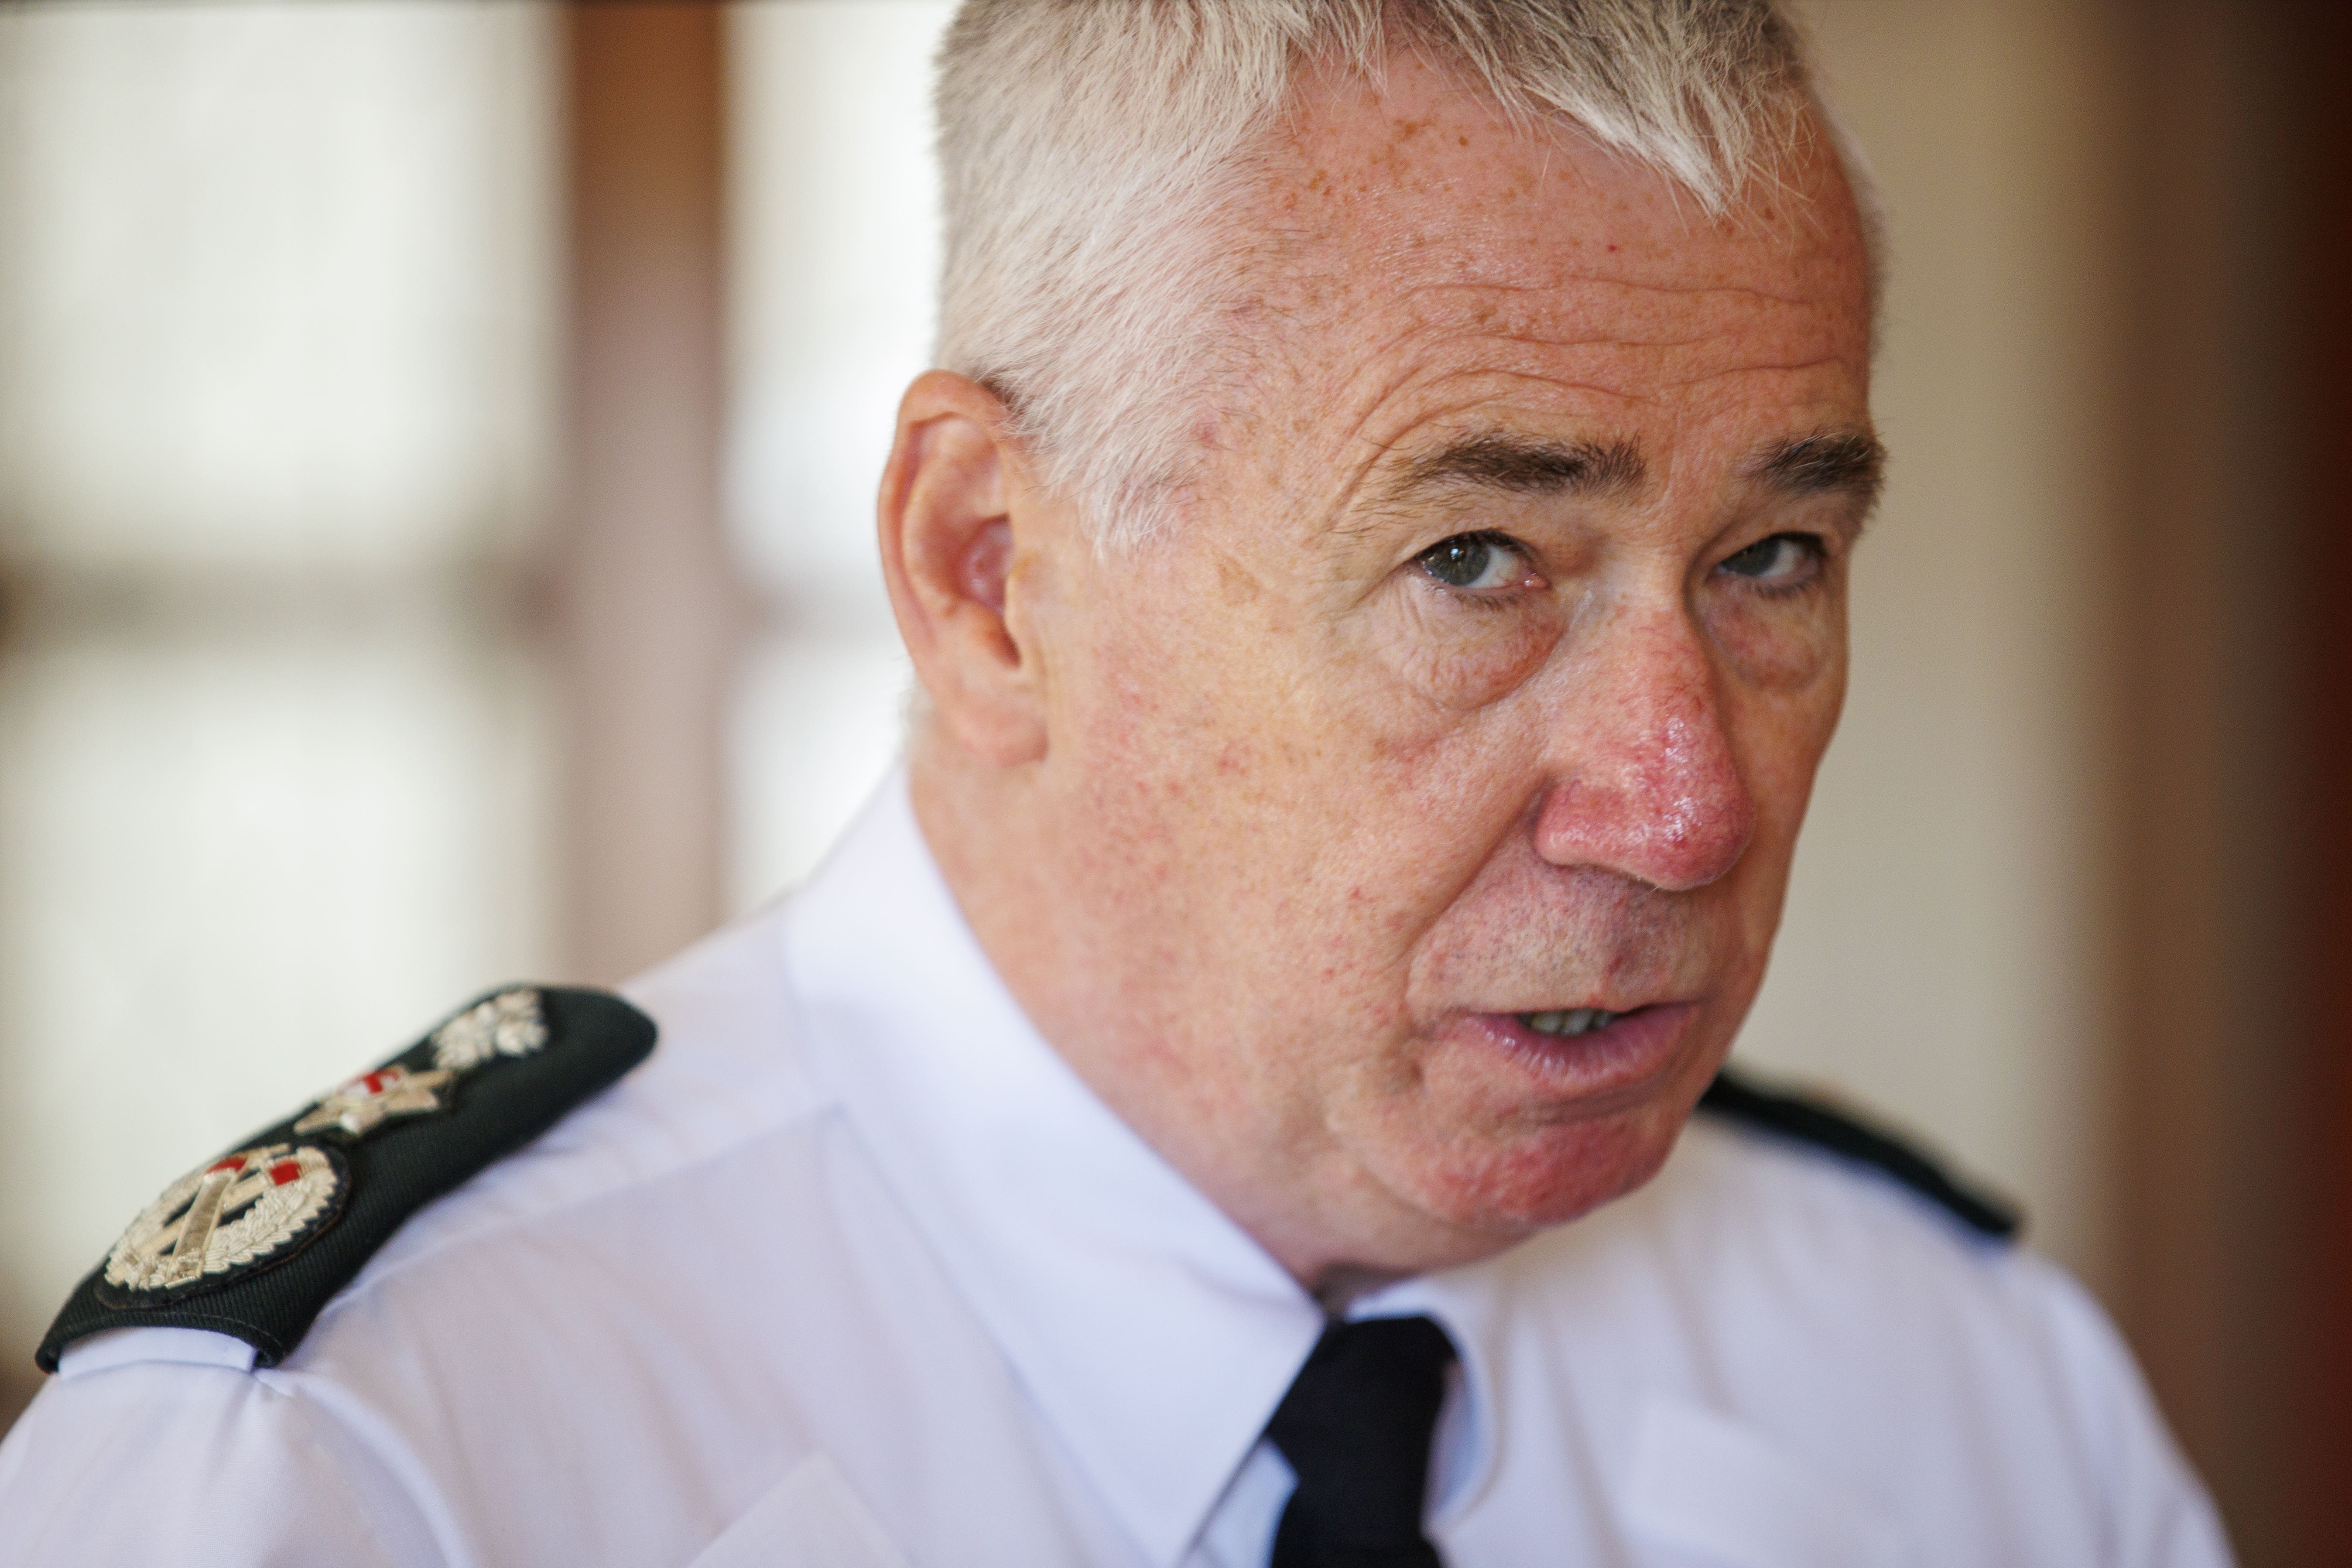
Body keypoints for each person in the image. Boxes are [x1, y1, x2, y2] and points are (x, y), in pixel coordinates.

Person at [0, 3, 2232, 1564]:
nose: (1684, 808)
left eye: (1770, 559)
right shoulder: (372, 1468)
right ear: (988, 575)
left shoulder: (1962, 1393)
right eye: (1474, 559)